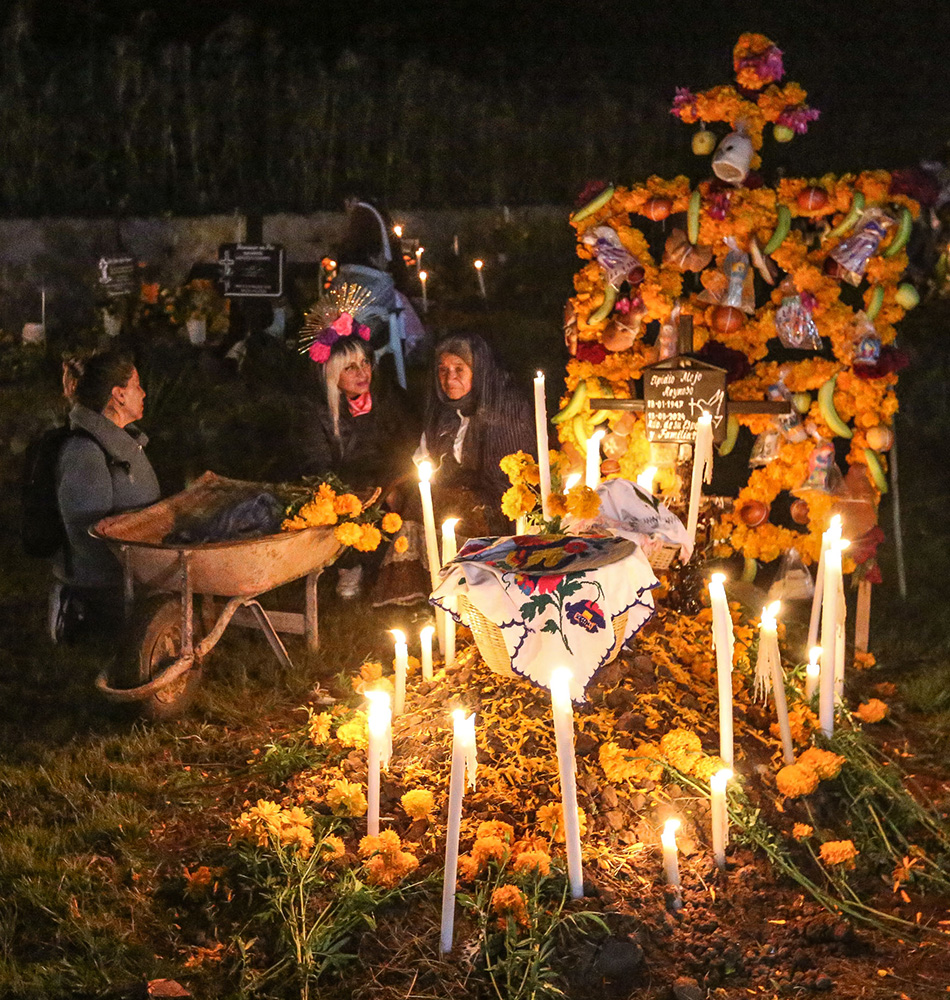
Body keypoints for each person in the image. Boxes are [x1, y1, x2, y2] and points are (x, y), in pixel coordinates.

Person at [293, 325, 418, 597]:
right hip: (347, 483)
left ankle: (397, 565)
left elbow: (408, 442)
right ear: (332, 374)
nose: (363, 373)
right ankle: (349, 565)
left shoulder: (387, 396)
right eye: (350, 368)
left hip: (387, 477)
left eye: (365, 363)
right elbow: (317, 464)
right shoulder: (317, 411)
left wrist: (392, 482)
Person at [53, 351, 160, 640]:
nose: (144, 392)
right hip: (104, 592)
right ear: (119, 395)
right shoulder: (86, 453)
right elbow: (87, 538)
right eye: (136, 385)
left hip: (133, 575)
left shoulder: (121, 442)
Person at [418, 333, 536, 536]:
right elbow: (424, 460)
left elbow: (508, 487)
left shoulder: (507, 409)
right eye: (443, 370)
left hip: (494, 518)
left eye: (459, 369)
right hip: (448, 509)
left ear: (479, 371)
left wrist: (461, 499)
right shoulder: (444, 410)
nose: (449, 378)